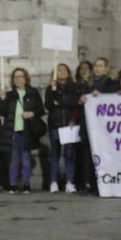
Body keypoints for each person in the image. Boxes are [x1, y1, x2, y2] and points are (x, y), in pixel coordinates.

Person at [2, 67, 44, 193]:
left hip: (27, 131)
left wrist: (32, 113)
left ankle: (26, 184)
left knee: (26, 159)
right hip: (13, 130)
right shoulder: (10, 95)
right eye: (16, 77)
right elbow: (2, 112)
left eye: (21, 76)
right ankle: (13, 184)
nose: (18, 79)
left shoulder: (33, 92)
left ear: (26, 79)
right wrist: (2, 98)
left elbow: (40, 110)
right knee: (14, 159)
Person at [44, 63, 80, 193]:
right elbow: (49, 105)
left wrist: (61, 104)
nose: (62, 72)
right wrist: (54, 92)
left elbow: (75, 104)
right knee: (55, 154)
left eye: (64, 69)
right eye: (58, 70)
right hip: (56, 124)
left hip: (69, 124)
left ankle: (69, 181)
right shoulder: (51, 88)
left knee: (69, 154)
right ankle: (53, 181)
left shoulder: (74, 87)